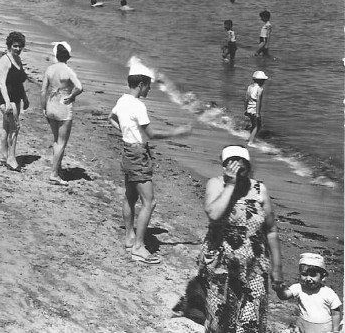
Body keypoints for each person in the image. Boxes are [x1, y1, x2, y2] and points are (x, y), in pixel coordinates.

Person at [108, 62, 191, 264]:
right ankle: (138, 247)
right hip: (138, 154)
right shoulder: (138, 105)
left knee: (130, 196)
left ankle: (129, 238)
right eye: (148, 85)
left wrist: (127, 133)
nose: (150, 89)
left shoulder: (122, 100)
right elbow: (151, 134)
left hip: (128, 150)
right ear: (141, 84)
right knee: (149, 202)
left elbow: (110, 118)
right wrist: (177, 132)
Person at [199, 145, 284, 332]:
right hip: (221, 265)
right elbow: (214, 214)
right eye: (231, 163)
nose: (236, 168)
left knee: (249, 321)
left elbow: (271, 230)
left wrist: (277, 268)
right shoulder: (216, 184)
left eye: (241, 164)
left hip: (254, 265)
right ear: (224, 166)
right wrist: (230, 185)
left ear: (248, 166)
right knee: (219, 319)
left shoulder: (259, 189)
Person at [40, 42, 83, 185]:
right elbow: (79, 87)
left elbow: (43, 91)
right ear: (68, 56)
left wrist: (43, 107)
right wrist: (71, 96)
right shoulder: (68, 71)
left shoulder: (50, 69)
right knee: (62, 142)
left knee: (56, 140)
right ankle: (54, 174)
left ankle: (57, 169)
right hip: (63, 107)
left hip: (51, 105)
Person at [275, 253, 342, 333]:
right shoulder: (298, 288)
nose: (308, 278)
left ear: (323, 277)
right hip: (303, 326)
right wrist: (279, 290)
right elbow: (284, 296)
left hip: (323, 329)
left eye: (313, 275)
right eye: (304, 274)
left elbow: (336, 313)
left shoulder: (328, 293)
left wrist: (335, 330)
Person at [0, 31, 29, 172]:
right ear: (9, 45)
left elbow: (20, 81)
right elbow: (2, 83)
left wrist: (25, 98)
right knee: (15, 128)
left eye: (20, 46)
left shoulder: (18, 59)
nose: (17, 49)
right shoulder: (5, 60)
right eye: (15, 46)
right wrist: (8, 102)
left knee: (7, 127)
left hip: (17, 97)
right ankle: (11, 158)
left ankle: (3, 156)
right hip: (6, 98)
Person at [245, 70, 268, 147]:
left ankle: (250, 137)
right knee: (257, 126)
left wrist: (245, 109)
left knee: (253, 124)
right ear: (261, 81)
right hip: (255, 110)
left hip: (249, 109)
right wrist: (258, 113)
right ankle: (250, 142)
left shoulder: (249, 87)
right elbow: (258, 101)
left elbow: (246, 99)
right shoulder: (260, 89)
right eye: (264, 81)